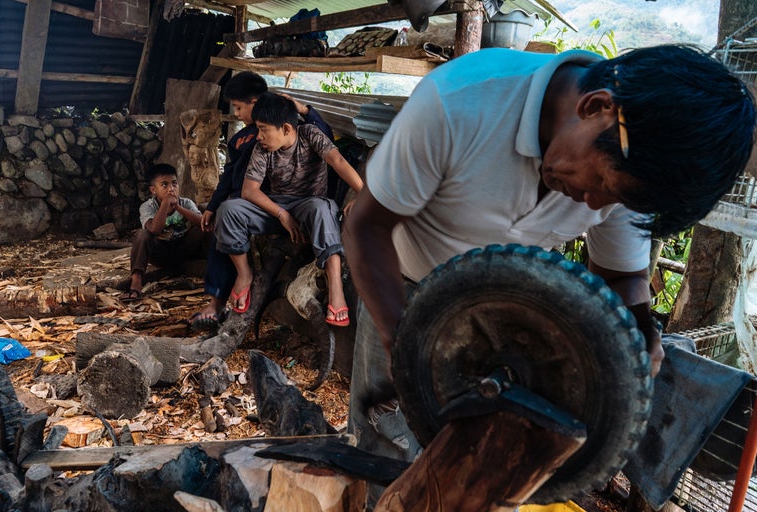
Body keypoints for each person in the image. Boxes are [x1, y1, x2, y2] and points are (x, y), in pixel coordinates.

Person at [343, 44, 756, 502]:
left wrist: (639, 327)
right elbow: (365, 227)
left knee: (488, 471)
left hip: (509, 312)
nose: (597, 206)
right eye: (601, 184)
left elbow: (623, 278)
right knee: (386, 446)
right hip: (403, 291)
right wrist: (404, 345)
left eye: (617, 200)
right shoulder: (458, 102)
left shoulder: (628, 167)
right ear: (596, 107)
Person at [190, 71, 334, 327]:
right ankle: (215, 303)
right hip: (243, 202)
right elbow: (228, 176)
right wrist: (212, 206)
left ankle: (228, 297)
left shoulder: (287, 131)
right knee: (221, 230)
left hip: (272, 202)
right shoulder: (240, 139)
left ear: (256, 104)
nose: (236, 114)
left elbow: (325, 135)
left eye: (238, 107)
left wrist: (301, 107)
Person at [214, 92, 364, 323]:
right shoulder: (261, 149)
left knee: (323, 209)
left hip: (310, 204)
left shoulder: (310, 134)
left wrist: (364, 193)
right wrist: (281, 213)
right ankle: (244, 274)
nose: (259, 136)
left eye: (264, 129)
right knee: (229, 210)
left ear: (285, 128)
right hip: (276, 205)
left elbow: (338, 161)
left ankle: (335, 288)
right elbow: (249, 191)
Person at [121, 163, 208, 300]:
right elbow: (154, 229)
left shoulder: (186, 203)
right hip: (161, 253)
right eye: (164, 185)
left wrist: (178, 207)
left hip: (184, 249)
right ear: (153, 190)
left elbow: (202, 222)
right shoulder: (147, 207)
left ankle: (213, 267)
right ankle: (136, 280)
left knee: (204, 228)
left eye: (174, 184)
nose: (171, 189)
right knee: (142, 234)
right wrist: (165, 205)